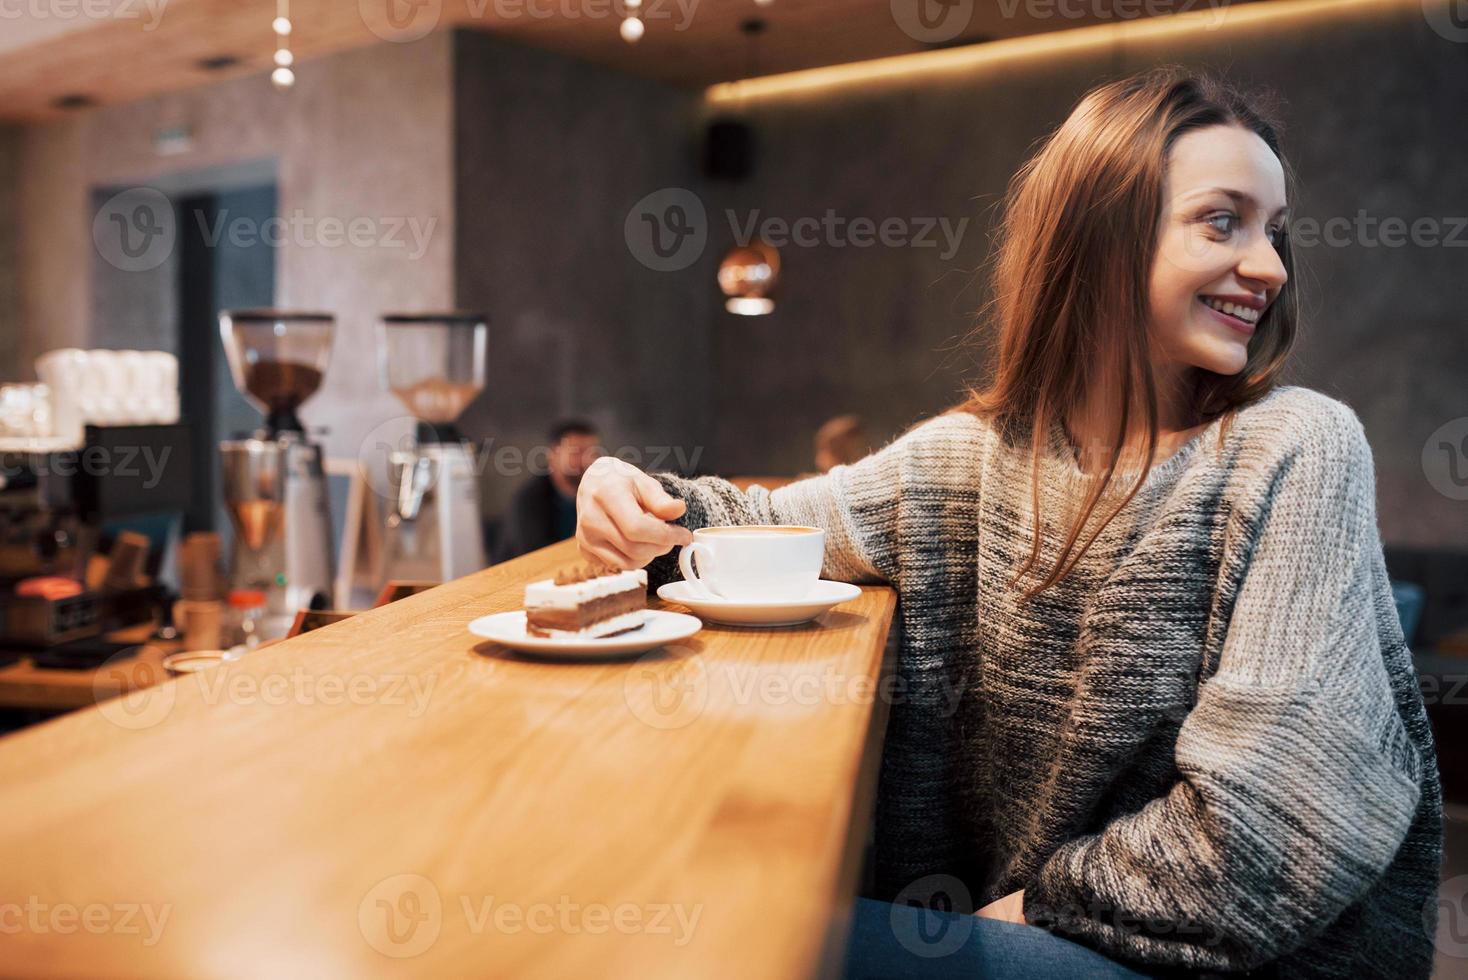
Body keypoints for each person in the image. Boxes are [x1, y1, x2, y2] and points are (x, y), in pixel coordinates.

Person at [572, 67, 1442, 979]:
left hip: (1213, 959)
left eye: (1274, 231)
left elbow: (1274, 825)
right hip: (1039, 929)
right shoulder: (970, 458)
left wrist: (1036, 907)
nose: (1268, 265)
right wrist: (621, 494)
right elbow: (745, 529)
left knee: (706, 942)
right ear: (1104, 236)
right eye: (1222, 222)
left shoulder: (1298, 446)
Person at [491, 419, 601, 563]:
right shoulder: (528, 500)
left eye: (592, 453)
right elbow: (534, 556)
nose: (586, 461)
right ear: (553, 455)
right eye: (577, 452)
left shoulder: (595, 493)